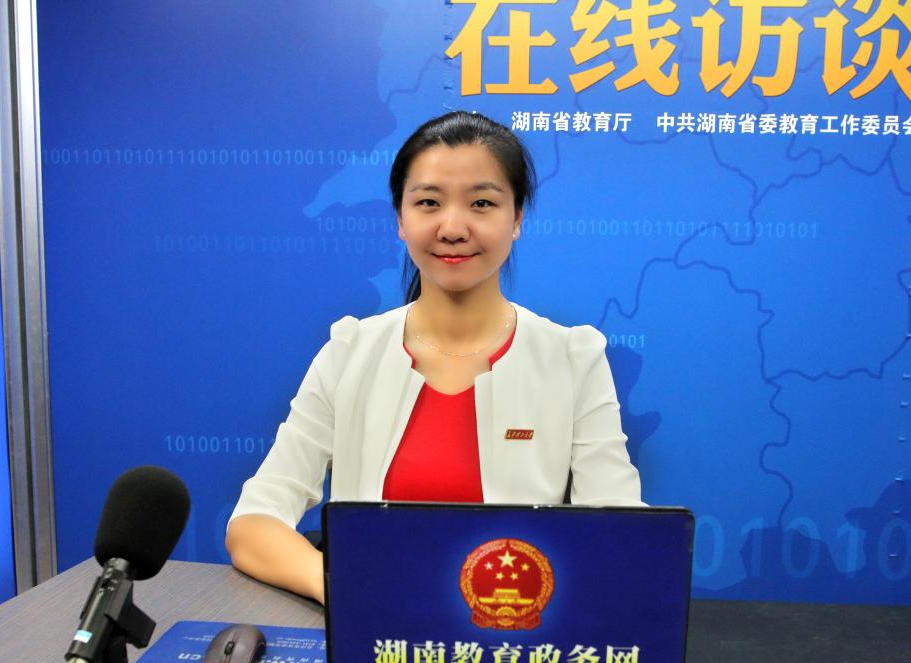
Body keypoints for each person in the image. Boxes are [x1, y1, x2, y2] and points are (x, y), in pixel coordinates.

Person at [225, 111, 641, 604]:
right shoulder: (350, 351)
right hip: (371, 633)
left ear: (517, 219)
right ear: (401, 220)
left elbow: (620, 534)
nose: (452, 227)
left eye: (482, 203)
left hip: (514, 629)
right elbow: (255, 521)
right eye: (428, 203)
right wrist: (345, 591)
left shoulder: (572, 358)